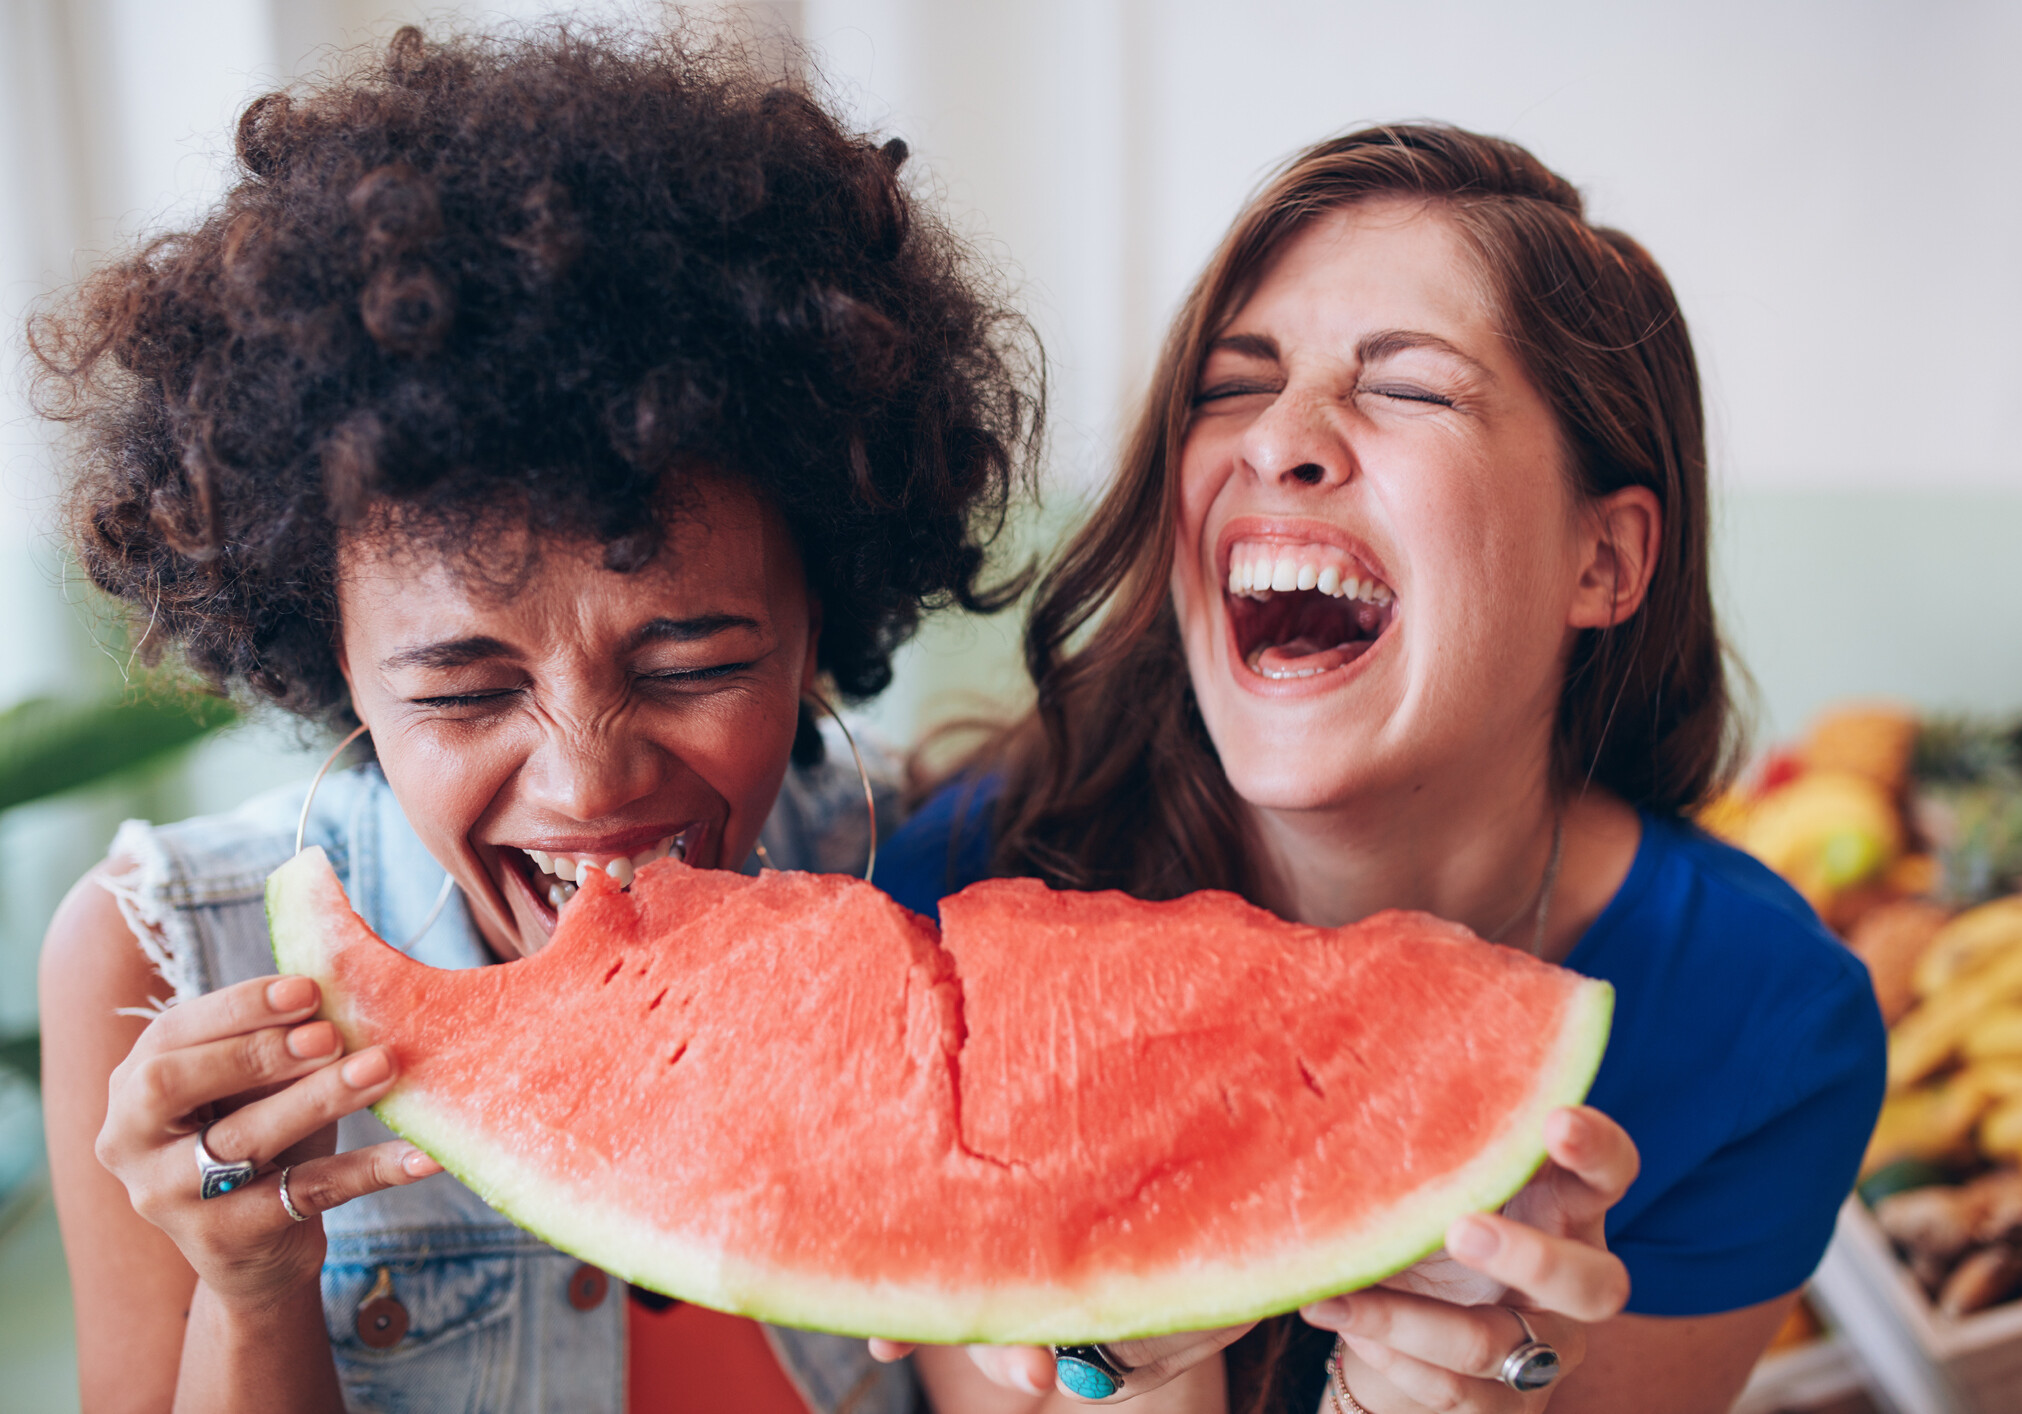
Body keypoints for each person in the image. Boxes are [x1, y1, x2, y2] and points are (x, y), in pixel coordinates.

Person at [34, 26, 1036, 1414]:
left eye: (688, 661)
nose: (587, 779)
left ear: (820, 613)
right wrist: (251, 1289)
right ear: (329, 652)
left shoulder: (925, 901)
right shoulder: (160, 952)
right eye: (462, 689)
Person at [874, 125, 1887, 1413]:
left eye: (1408, 389)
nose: (1278, 440)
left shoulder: (1768, 1030)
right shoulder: (959, 916)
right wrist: (1103, 1364)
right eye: (1233, 385)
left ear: (1605, 562)